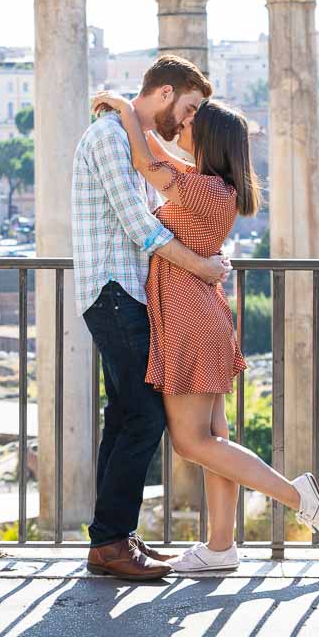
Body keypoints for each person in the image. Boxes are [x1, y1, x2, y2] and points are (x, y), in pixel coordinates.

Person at [89, 88, 319, 576]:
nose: (181, 127)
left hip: (188, 318)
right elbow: (157, 153)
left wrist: (122, 109)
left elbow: (143, 158)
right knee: (215, 437)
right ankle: (221, 547)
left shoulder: (200, 189)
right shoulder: (211, 185)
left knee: (190, 442)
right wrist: (140, 121)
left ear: (208, 138)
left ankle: (295, 495)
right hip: (201, 314)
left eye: (190, 122)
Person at [72, 55, 230, 581]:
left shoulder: (127, 135)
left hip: (126, 294)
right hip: (115, 291)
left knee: (124, 415)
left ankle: (110, 539)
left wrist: (122, 106)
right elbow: (142, 227)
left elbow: (165, 177)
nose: (187, 122)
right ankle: (112, 541)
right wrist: (205, 268)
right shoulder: (108, 138)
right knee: (143, 416)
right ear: (164, 94)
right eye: (186, 108)